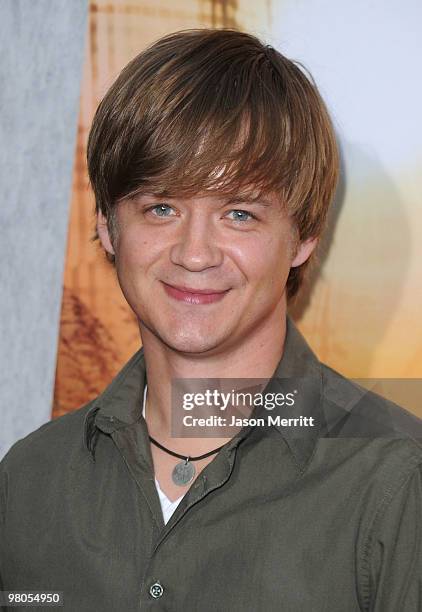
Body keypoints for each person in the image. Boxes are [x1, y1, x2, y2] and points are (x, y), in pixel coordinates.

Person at [0, 28, 421, 612]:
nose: (194, 253)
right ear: (107, 225)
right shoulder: (30, 478)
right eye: (162, 207)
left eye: (240, 213)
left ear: (302, 237)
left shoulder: (399, 479)